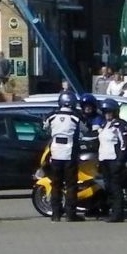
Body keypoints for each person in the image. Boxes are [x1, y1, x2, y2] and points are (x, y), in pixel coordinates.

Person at [44, 91, 82, 222]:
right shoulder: (75, 116)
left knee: (56, 185)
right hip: (70, 154)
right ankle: (71, 214)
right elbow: (84, 129)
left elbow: (45, 128)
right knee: (71, 185)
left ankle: (56, 214)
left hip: (55, 154)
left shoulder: (52, 116)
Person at [95, 99, 127, 223]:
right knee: (108, 186)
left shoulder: (119, 124)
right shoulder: (103, 125)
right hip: (104, 159)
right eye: (105, 112)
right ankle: (111, 211)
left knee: (115, 187)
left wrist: (120, 160)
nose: (107, 114)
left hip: (114, 159)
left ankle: (118, 214)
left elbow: (124, 143)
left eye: (110, 112)